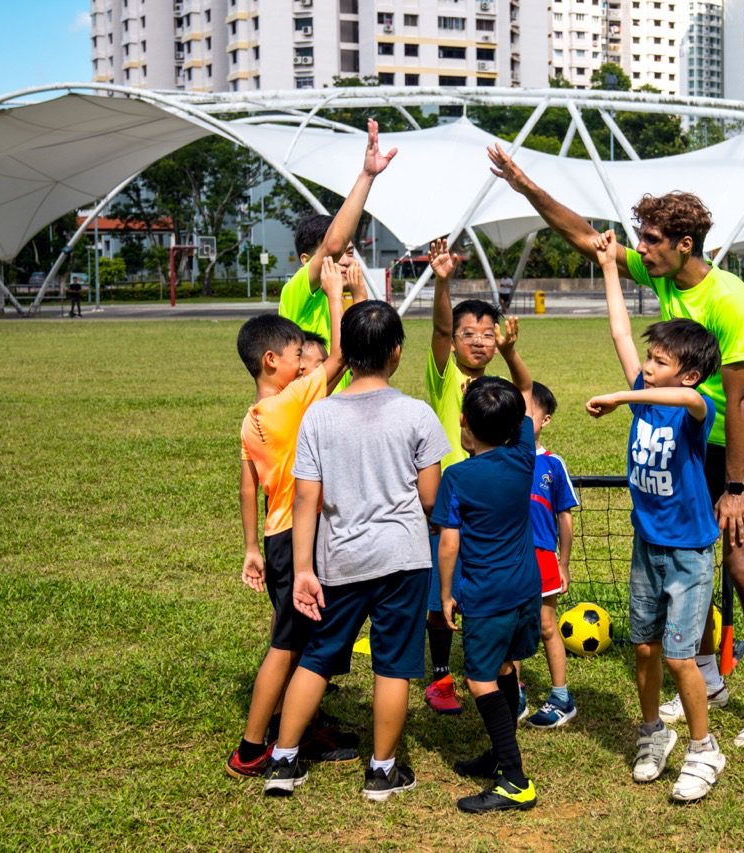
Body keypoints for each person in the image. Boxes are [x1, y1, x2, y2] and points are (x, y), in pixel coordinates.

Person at [488, 145, 744, 749]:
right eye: (641, 238)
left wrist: (733, 489)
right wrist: (525, 185)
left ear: (684, 244)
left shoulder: (730, 300)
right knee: (694, 559)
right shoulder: (659, 273)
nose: (641, 247)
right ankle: (707, 680)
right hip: (691, 441)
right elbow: (584, 237)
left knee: (741, 563)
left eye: (650, 239)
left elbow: (733, 404)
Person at [261, 300, 449, 801]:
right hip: (403, 559)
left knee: (318, 656)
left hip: (337, 559)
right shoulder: (418, 415)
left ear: (346, 351)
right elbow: (431, 498)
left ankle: (282, 761)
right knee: (394, 664)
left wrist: (304, 568)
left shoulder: (318, 416)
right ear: (396, 352)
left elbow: (305, 497)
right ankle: (382, 771)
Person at [585, 229, 726, 802]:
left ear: (688, 374)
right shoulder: (646, 389)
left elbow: (687, 402)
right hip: (648, 545)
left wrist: (623, 399)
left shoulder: (697, 405)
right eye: (647, 359)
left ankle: (703, 750)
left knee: (677, 656)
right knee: (642, 649)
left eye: (658, 362)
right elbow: (620, 329)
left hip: (688, 554)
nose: (645, 368)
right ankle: (652, 736)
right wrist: (609, 268)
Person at [227, 258, 354, 780]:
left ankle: (303, 725)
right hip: (296, 539)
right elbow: (345, 355)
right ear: (273, 360)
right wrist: (333, 292)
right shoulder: (288, 404)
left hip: (274, 540)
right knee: (287, 644)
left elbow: (247, 485)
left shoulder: (252, 417)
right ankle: (253, 748)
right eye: (300, 356)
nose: (307, 364)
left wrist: (250, 547)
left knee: (303, 638)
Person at [422, 237, 526, 716]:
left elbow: (525, 398)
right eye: (470, 334)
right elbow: (440, 330)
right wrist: (443, 282)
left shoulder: (499, 389)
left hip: (487, 510)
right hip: (446, 509)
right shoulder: (445, 375)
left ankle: (502, 673)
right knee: (438, 598)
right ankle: (441, 676)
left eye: (488, 334)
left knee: (485, 595)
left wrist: (510, 354)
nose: (480, 341)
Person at [432, 371, 541, 814]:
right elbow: (528, 398)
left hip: (487, 595)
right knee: (503, 667)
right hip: (525, 589)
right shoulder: (523, 457)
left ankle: (514, 778)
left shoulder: (457, 477)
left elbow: (449, 543)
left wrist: (444, 594)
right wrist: (510, 357)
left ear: (463, 423)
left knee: (479, 680)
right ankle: (498, 752)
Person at [279, 117, 396, 389]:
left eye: (351, 252)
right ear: (307, 262)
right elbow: (332, 246)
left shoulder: (347, 297)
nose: (344, 259)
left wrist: (360, 298)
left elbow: (372, 362)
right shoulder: (297, 292)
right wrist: (367, 176)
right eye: (338, 254)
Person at [515, 381, 580, 729]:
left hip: (542, 557)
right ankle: (516, 693)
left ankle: (560, 696)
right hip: (510, 557)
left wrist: (564, 562)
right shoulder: (505, 458)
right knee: (513, 627)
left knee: (544, 625)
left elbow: (565, 516)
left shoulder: (553, 465)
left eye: (527, 415)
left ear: (546, 420)